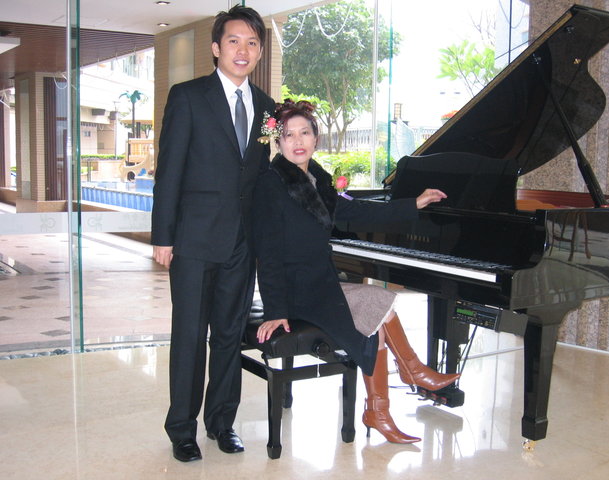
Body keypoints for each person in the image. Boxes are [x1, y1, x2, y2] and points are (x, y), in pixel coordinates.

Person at [252, 100, 461, 444]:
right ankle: (406, 378)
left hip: (319, 283)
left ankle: (384, 406)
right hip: (295, 291)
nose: (298, 141)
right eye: (289, 135)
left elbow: (358, 212)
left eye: (305, 133)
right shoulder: (271, 184)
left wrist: (414, 203)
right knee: (378, 308)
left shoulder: (317, 179)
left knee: (376, 311)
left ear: (316, 138)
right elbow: (268, 252)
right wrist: (275, 310)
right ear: (278, 141)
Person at [151, 5, 275, 462]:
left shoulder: (266, 107)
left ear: (259, 52)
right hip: (193, 240)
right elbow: (169, 171)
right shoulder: (188, 96)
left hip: (243, 243)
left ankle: (222, 421)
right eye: (234, 41)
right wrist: (163, 237)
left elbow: (262, 176)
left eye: (252, 43)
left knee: (228, 334)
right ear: (216, 48)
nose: (243, 50)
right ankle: (181, 428)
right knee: (189, 335)